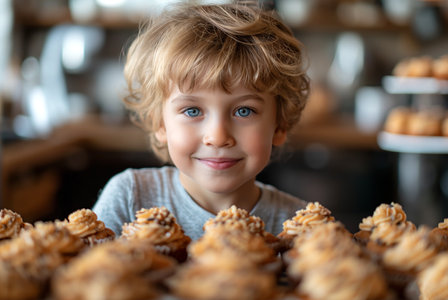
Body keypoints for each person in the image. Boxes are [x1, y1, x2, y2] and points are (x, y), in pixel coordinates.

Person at [93, 0, 310, 240]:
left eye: (244, 111)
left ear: (279, 125)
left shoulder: (300, 225)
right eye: (193, 111)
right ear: (160, 123)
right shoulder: (130, 197)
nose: (217, 137)